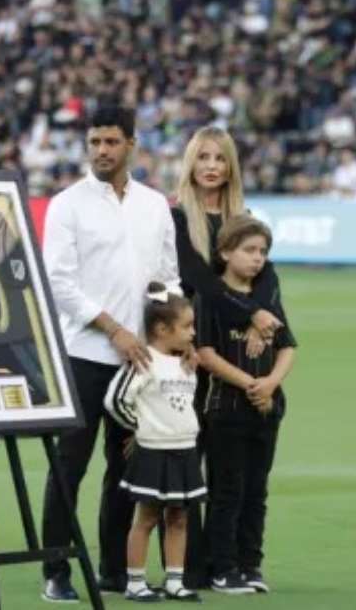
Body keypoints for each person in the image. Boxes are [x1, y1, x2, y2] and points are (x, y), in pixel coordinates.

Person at [41, 105, 181, 601]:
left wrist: (169, 341)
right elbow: (59, 282)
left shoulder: (153, 204)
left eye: (111, 142)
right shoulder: (67, 205)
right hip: (83, 353)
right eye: (95, 142)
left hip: (138, 361)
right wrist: (115, 328)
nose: (102, 151)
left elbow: (167, 278)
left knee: (125, 469)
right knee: (69, 464)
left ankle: (114, 569)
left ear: (131, 146)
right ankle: (55, 569)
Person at [171, 126, 282, 588]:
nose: (212, 166)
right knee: (187, 464)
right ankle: (196, 565)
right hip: (191, 353)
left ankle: (230, 562)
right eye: (203, 158)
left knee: (232, 473)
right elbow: (198, 280)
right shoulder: (178, 219)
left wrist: (262, 321)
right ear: (191, 164)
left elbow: (268, 277)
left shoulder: (244, 217)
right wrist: (249, 312)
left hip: (237, 356)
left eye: (220, 158)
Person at [196, 216, 298, 595]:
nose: (258, 259)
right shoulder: (212, 297)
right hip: (226, 409)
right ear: (225, 253)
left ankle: (250, 564)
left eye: (263, 252)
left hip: (267, 408)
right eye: (249, 250)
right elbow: (205, 352)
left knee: (257, 490)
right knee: (227, 489)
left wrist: (271, 383)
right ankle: (221, 567)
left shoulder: (266, 299)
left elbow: (287, 345)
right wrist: (248, 382)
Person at [104, 283, 205, 602]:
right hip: (153, 453)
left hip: (185, 450)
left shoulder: (187, 362)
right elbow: (116, 400)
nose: (193, 333)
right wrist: (141, 429)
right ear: (162, 329)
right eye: (187, 326)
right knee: (146, 518)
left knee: (179, 517)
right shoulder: (144, 360)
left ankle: (175, 580)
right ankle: (135, 583)